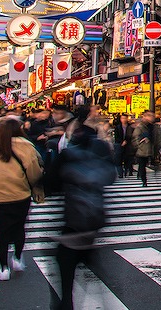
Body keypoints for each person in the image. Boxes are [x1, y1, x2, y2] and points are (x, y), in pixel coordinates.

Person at [45, 120, 116, 310]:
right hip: (95, 219)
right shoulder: (99, 155)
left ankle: (65, 304)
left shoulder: (67, 156)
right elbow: (111, 176)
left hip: (73, 221)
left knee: (65, 265)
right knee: (90, 260)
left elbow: (49, 184)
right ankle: (103, 302)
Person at [0, 117, 43, 281]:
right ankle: (17, 258)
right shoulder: (27, 147)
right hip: (20, 194)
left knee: (1, 233)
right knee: (19, 227)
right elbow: (34, 171)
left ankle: (4, 268)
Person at [133, 111, 158, 187]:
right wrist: (140, 144)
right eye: (150, 116)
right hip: (142, 149)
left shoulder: (152, 126)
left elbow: (156, 137)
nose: (152, 118)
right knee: (142, 165)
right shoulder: (140, 127)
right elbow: (135, 138)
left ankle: (141, 176)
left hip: (150, 148)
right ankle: (144, 180)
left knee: (144, 165)